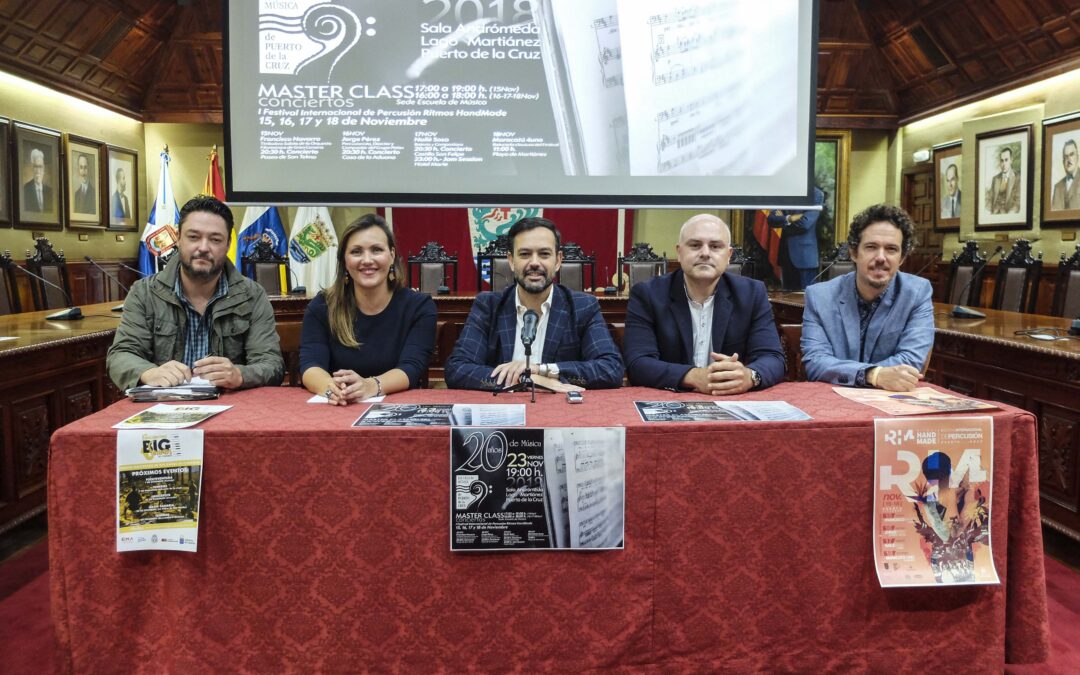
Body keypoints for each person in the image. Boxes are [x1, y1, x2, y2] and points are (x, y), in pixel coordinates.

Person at [107, 195, 284, 390]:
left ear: (227, 245)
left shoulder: (253, 295)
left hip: (231, 407)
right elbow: (121, 355)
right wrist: (149, 372)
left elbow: (272, 364)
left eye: (215, 239)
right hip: (163, 404)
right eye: (193, 237)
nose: (203, 248)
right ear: (178, 238)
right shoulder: (144, 293)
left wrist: (240, 375)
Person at [445, 216, 623, 391]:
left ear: (558, 260)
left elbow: (611, 369)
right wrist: (528, 380)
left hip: (560, 412)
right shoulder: (488, 306)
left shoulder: (583, 306)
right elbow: (458, 369)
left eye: (544, 254)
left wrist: (543, 370)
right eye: (525, 254)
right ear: (511, 260)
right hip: (504, 412)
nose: (535, 263)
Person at [623, 214, 784, 393]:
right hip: (669, 401)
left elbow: (773, 357)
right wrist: (693, 376)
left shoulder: (751, 294)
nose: (705, 253)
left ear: (729, 255)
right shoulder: (647, 294)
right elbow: (637, 363)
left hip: (731, 400)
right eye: (695, 245)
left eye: (715, 246)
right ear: (679, 252)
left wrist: (750, 376)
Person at [299, 214, 436, 404]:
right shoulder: (322, 307)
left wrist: (370, 386)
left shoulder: (419, 307)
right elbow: (310, 365)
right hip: (337, 407)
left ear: (392, 255)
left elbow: (411, 367)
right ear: (344, 261)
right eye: (356, 252)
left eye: (377, 250)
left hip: (395, 410)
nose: (367, 260)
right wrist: (331, 389)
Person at [801, 203, 934, 391]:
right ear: (854, 252)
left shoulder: (917, 293)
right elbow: (816, 363)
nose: (881, 257)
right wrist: (874, 375)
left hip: (891, 405)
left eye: (891, 249)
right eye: (871, 247)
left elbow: (911, 361)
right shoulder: (819, 296)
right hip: (833, 403)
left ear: (902, 258)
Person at [768, 186, 824, 290]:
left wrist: (783, 221)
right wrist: (790, 218)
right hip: (786, 256)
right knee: (787, 301)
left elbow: (805, 224)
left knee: (807, 300)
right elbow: (772, 219)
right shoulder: (782, 191)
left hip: (805, 257)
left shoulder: (816, 194)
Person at [985, 146, 1020, 214]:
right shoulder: (995, 179)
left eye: (1006, 160)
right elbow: (990, 199)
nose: (1003, 164)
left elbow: (1018, 202)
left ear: (1011, 160)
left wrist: (1010, 214)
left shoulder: (1017, 177)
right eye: (1002, 160)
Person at [1051, 139, 1080, 210]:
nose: (1068, 159)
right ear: (1063, 161)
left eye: (1071, 154)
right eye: (1066, 156)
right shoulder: (1057, 187)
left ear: (1078, 157)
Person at [22, 148, 52, 213]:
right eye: (35, 166)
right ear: (32, 168)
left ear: (43, 169)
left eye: (40, 166)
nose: (38, 170)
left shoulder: (50, 191)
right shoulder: (26, 189)